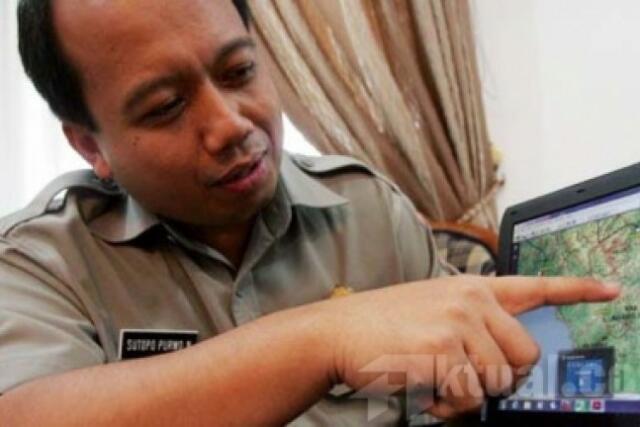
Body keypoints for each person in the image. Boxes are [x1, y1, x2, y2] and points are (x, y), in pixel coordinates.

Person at [0, 0, 619, 425]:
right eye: (165, 106)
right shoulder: (38, 262)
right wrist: (325, 337)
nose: (230, 124)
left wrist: (469, 389)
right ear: (89, 144)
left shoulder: (367, 209)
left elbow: (445, 390)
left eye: (240, 71)